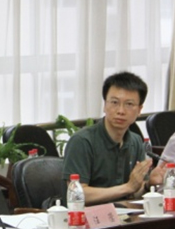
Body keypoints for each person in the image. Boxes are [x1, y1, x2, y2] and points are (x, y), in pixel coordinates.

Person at [62, 72, 166, 205]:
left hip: (122, 213)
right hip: (88, 215)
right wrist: (127, 187)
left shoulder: (135, 141)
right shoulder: (82, 141)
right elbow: (77, 195)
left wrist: (148, 184)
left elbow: (134, 192)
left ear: (139, 110)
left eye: (129, 104)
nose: (121, 111)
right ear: (105, 105)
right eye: (114, 102)